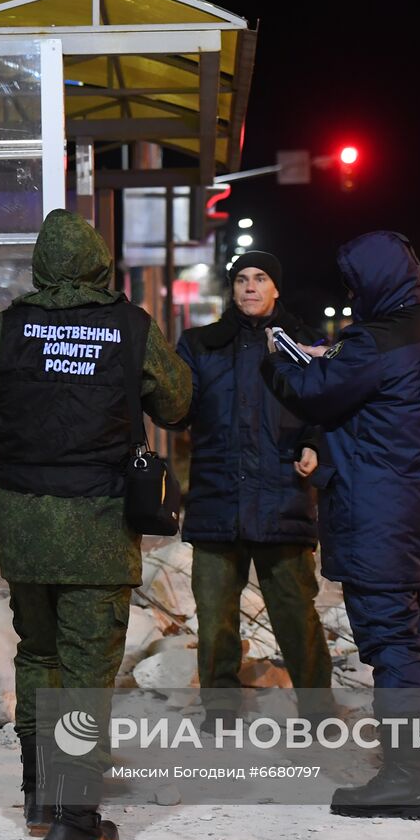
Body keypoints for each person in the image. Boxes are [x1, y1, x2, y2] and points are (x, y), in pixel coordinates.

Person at [0, 209, 191, 840]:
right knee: (85, 673)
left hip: (25, 526)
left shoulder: (6, 329)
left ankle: (40, 797)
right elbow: (176, 404)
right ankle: (77, 823)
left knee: (38, 657)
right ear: (99, 262)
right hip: (99, 528)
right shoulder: (131, 328)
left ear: (40, 266)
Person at [264, 231, 420, 821]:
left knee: (392, 640)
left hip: (380, 511)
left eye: (354, 285)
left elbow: (314, 395)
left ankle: (406, 777)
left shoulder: (376, 340)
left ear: (373, 282)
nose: (351, 297)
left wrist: (277, 357)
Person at [174, 251, 333, 730]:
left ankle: (318, 710)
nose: (250, 287)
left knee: (295, 613)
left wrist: (315, 444)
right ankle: (220, 710)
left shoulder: (304, 343)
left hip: (281, 494)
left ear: (276, 287)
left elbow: (326, 407)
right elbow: (178, 410)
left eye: (260, 278)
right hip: (216, 498)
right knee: (216, 616)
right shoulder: (201, 344)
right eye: (241, 279)